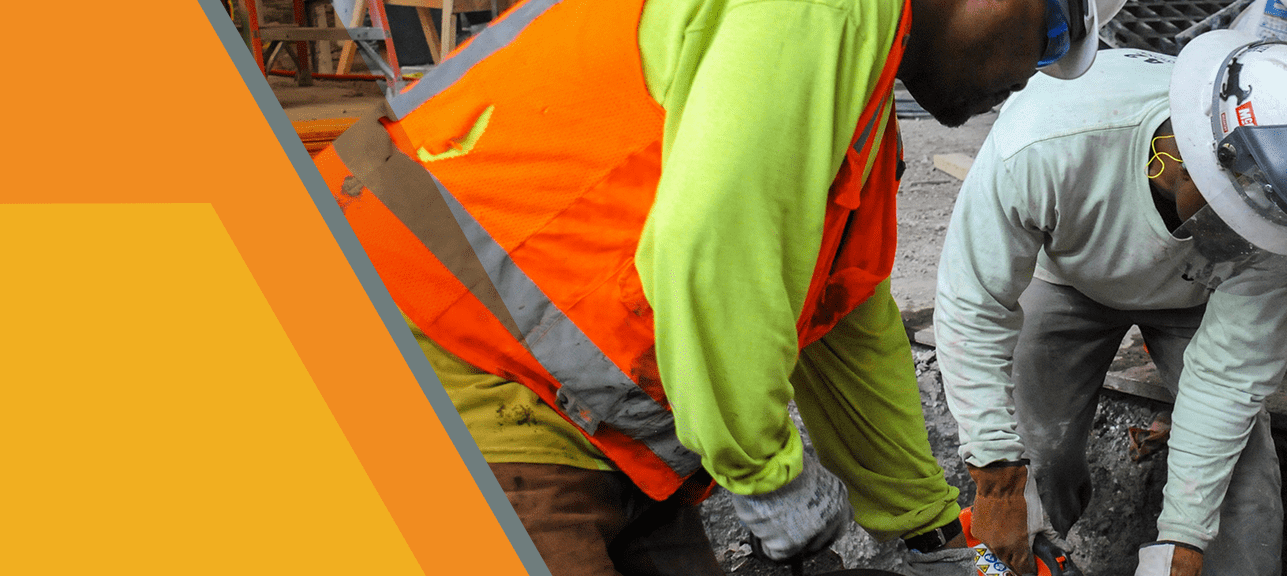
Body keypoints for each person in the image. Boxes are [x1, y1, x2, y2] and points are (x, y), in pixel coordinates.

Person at [310, 0, 1122, 572]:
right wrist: (770, 482)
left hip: (577, 420)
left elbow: (843, 328)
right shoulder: (828, 12)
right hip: (433, 349)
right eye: (1050, 35)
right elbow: (712, 251)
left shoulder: (860, 112)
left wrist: (927, 529)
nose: (1029, 78)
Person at [933, 30, 1287, 576]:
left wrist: (1182, 542)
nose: (1258, 235)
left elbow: (1228, 381)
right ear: (1182, 161)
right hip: (1066, 275)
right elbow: (973, 303)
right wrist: (997, 478)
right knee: (1038, 456)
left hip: (1201, 294)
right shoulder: (1048, 141)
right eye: (1240, 217)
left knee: (1242, 495)